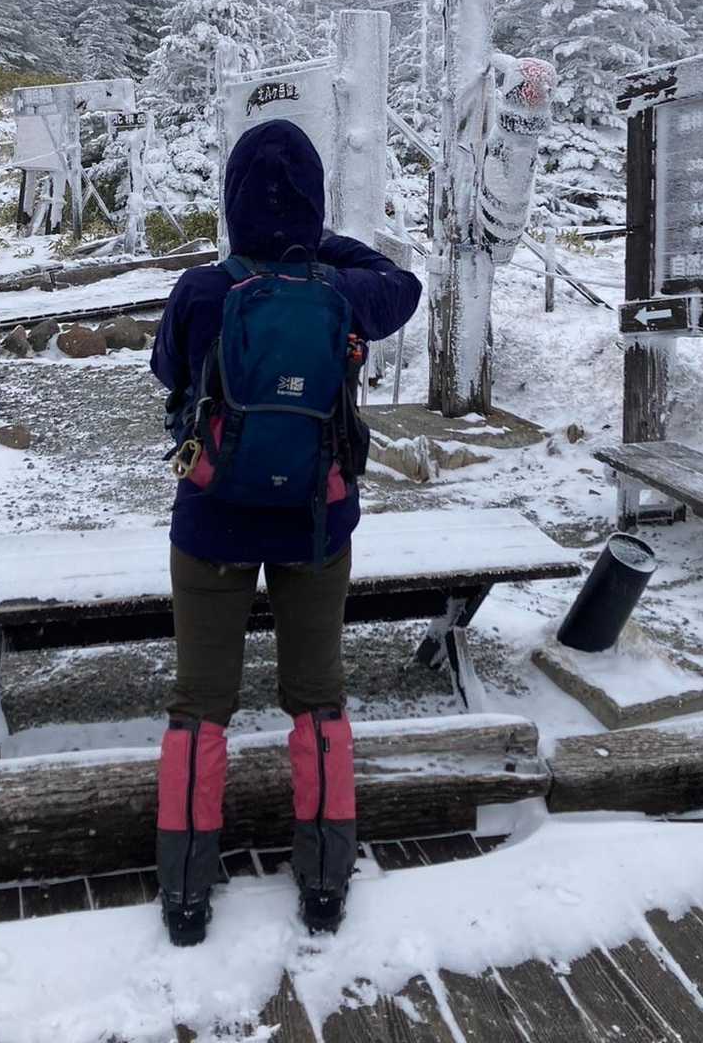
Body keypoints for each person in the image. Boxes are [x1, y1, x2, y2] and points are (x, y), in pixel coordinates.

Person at [150, 118, 421, 946]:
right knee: (317, 697)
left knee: (200, 704)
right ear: (314, 202)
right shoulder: (346, 292)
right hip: (317, 519)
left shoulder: (201, 291)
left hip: (211, 519)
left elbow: (167, 372)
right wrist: (313, 246)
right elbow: (403, 283)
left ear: (232, 200)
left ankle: (186, 895)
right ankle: (326, 882)